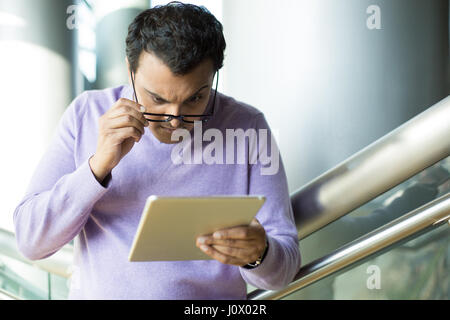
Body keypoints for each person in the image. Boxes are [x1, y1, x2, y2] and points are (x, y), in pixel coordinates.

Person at [13, 2, 301, 299]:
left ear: (214, 74)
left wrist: (260, 254)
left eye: (195, 99)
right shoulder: (87, 113)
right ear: (130, 70)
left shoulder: (248, 126)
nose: (175, 119)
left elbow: (285, 266)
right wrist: (97, 166)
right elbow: (31, 241)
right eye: (157, 98)